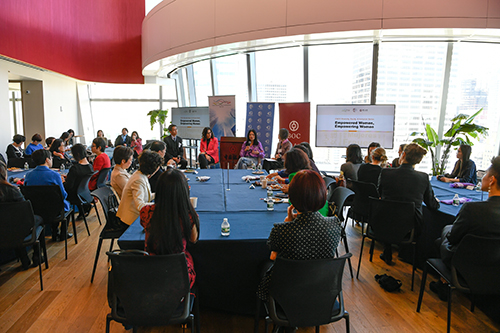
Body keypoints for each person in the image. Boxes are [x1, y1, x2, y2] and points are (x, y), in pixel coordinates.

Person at [257, 169, 342, 301]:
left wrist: (287, 222)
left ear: (291, 197)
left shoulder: (282, 230)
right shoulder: (335, 224)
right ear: (323, 195)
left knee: (265, 266)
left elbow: (273, 256)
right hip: (322, 291)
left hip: (286, 293)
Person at [429, 156, 500, 300]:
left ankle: (443, 283)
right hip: (494, 267)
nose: (483, 178)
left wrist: (447, 230)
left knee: (442, 236)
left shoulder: (471, 209)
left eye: (485, 174)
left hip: (464, 262)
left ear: (492, 180)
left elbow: (453, 237)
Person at [377, 143, 440, 265]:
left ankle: (387, 250)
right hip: (411, 226)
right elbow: (431, 204)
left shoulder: (386, 173)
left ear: (403, 154)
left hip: (384, 223)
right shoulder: (423, 177)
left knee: (389, 212)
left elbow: (379, 194)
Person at [140, 169, 200, 288]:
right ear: (184, 191)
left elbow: (145, 226)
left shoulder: (146, 212)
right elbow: (193, 239)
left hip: (150, 271)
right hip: (178, 274)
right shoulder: (187, 216)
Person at [0, 161, 43, 269]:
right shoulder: (12, 190)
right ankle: (37, 255)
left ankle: (24, 258)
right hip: (18, 228)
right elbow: (25, 212)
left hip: (2, 230)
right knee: (36, 219)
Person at [24, 149, 72, 241]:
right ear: (47, 160)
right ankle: (61, 233)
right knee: (65, 204)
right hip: (55, 210)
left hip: (35, 209)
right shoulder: (55, 175)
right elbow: (63, 195)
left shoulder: (28, 175)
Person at [116, 150, 162, 225]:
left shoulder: (140, 174)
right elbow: (140, 205)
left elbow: (147, 196)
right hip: (131, 220)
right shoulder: (138, 180)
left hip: (133, 215)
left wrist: (161, 194)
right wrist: (160, 205)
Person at [63, 144, 94, 218]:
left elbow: (68, 187)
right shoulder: (90, 167)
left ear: (77, 154)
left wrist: (63, 181)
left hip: (74, 195)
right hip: (84, 193)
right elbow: (79, 179)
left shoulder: (74, 169)